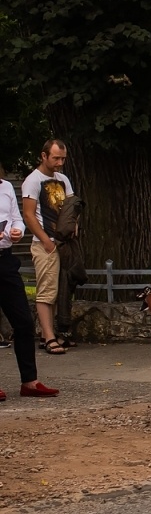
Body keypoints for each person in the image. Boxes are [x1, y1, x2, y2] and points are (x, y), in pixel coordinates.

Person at [0, 165, 56, 402]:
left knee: (23, 321)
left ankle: (29, 381)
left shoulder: (5, 188)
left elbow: (17, 218)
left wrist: (17, 231)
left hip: (5, 259)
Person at [20, 139, 74, 354]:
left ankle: (50, 334)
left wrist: (73, 226)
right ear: (44, 156)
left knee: (60, 288)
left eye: (63, 158)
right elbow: (28, 215)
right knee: (47, 290)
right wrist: (46, 241)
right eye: (56, 158)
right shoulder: (33, 181)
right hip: (45, 243)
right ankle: (48, 336)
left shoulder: (63, 179)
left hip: (63, 241)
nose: (60, 162)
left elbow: (70, 206)